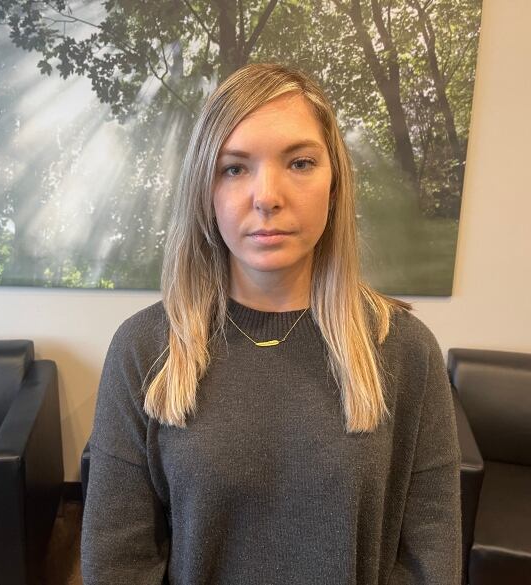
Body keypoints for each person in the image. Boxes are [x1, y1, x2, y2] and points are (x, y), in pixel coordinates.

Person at [81, 62, 461, 585]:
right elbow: (115, 562)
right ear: (206, 191)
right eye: (235, 168)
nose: (267, 196)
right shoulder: (146, 348)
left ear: (334, 183)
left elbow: (430, 558)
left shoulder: (402, 348)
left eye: (300, 162)